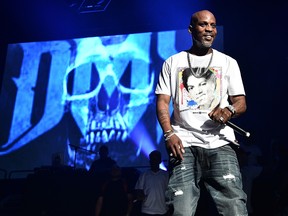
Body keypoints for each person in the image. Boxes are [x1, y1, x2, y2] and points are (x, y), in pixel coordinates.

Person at [155, 9, 248, 216]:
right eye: (203, 24)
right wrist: (169, 133)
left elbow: (241, 102)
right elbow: (162, 102)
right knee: (181, 209)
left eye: (212, 25)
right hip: (184, 144)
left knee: (235, 207)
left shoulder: (228, 62)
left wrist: (228, 111)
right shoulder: (173, 62)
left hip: (220, 143)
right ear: (190, 29)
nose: (209, 29)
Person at [134, 150, 169, 216]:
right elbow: (138, 190)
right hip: (147, 210)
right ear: (150, 161)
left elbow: (169, 191)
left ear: (160, 161)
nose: (154, 161)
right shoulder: (144, 174)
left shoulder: (165, 175)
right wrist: (141, 196)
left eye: (156, 159)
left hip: (162, 210)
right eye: (153, 159)